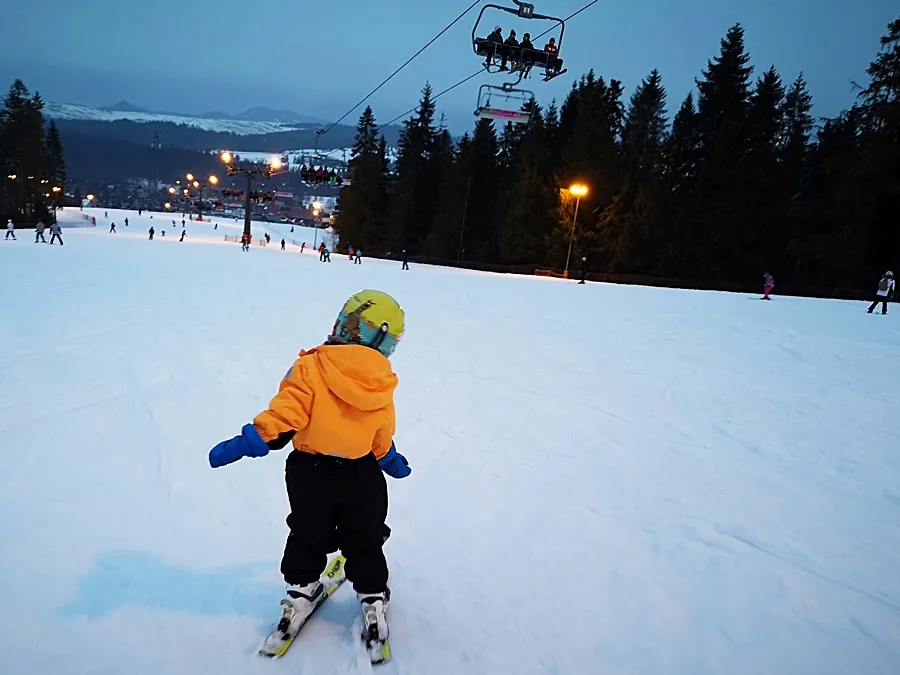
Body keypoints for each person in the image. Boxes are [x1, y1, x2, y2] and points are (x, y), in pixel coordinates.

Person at [207, 290, 409, 657]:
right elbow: (381, 431)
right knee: (365, 537)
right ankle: (373, 596)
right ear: (385, 340)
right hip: (361, 477)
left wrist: (252, 439)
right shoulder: (381, 379)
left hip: (309, 475)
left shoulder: (311, 367)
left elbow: (287, 414)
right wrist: (388, 458)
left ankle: (302, 591)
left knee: (307, 533)